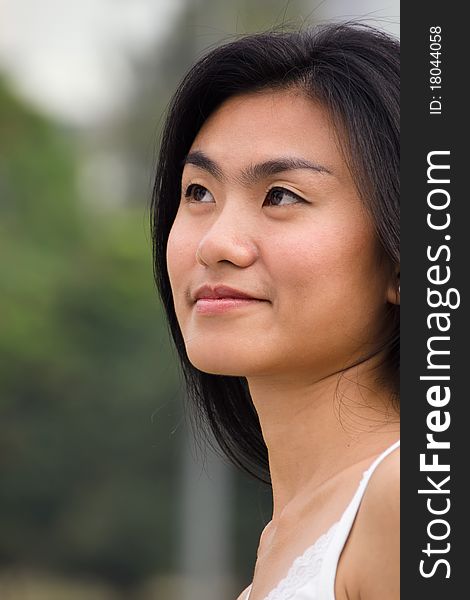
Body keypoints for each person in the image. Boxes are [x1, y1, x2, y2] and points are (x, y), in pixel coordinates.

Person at [151, 22, 400, 600]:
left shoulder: (409, 502)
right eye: (198, 193)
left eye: (281, 196)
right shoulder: (289, 538)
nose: (216, 242)